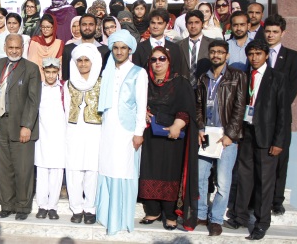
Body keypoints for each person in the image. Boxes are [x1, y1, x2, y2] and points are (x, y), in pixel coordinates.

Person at [224, 40, 288, 240]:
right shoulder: (244, 76)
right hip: (247, 133)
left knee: (264, 182)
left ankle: (261, 223)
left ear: (266, 55)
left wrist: (278, 142)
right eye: (251, 53)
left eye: (258, 53)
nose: (254, 57)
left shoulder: (277, 78)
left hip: (267, 137)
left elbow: (284, 114)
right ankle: (239, 217)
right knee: (244, 177)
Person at [138, 46, 198, 231]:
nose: (158, 63)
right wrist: (142, 111)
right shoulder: (144, 81)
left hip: (173, 136)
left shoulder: (180, 82)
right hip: (150, 136)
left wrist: (177, 125)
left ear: (169, 61)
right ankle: (153, 210)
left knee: (170, 172)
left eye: (162, 59)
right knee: (150, 170)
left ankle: (170, 214)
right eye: (154, 59)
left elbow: (187, 107)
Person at [96, 30, 148, 235]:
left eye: (123, 48)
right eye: (115, 48)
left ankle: (121, 219)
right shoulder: (107, 71)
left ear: (130, 50)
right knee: (107, 168)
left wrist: (138, 132)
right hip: (108, 129)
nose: (119, 52)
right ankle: (107, 214)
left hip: (127, 132)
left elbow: (141, 105)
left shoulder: (138, 72)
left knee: (123, 171)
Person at [195, 40, 247, 236]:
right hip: (207, 134)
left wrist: (230, 135)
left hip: (226, 136)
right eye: (213, 52)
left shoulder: (237, 76)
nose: (216, 55)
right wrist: (200, 128)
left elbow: (239, 107)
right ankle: (201, 214)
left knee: (223, 182)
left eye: (220, 52)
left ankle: (216, 219)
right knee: (201, 178)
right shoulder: (203, 77)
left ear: (227, 55)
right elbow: (198, 105)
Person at [0, 34, 41, 221]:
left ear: (23, 48)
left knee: (23, 168)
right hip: (1, 124)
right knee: (5, 168)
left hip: (21, 125)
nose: (14, 51)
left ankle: (22, 206)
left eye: (17, 48)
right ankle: (7, 204)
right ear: (5, 47)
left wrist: (27, 126)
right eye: (11, 47)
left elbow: (33, 99)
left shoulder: (31, 68)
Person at [263, 14, 297, 216]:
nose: (270, 35)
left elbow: (292, 88)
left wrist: (277, 109)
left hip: (281, 116)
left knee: (280, 159)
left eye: (275, 31)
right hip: (258, 118)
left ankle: (277, 200)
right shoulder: (257, 53)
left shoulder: (292, 57)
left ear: (282, 33)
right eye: (268, 31)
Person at [64, 44, 103, 225]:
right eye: (79, 60)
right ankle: (76, 208)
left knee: (92, 170)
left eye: (86, 60)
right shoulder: (68, 83)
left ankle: (90, 208)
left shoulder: (101, 82)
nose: (83, 64)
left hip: (95, 131)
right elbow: (65, 110)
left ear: (93, 61)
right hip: (73, 130)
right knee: (74, 170)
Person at [34, 58, 66, 220]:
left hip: (60, 137)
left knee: (56, 173)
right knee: (42, 172)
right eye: (48, 72)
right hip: (42, 137)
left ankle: (52, 206)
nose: (51, 75)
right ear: (43, 71)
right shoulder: (38, 88)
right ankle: (42, 206)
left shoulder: (64, 88)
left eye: (54, 72)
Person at [132, 8, 184, 75]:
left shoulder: (174, 48)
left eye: (160, 23)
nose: (155, 26)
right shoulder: (139, 48)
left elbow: (177, 73)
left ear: (166, 24)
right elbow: (136, 73)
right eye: (153, 23)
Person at [61, 14, 111, 81]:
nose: (87, 27)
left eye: (91, 24)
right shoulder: (68, 49)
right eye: (84, 24)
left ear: (96, 27)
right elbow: (65, 77)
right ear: (80, 27)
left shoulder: (105, 51)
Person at [178, 10, 214, 88]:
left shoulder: (212, 44)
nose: (193, 26)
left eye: (197, 22)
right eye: (190, 23)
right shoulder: (178, 45)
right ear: (186, 25)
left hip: (205, 88)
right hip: (184, 89)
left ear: (202, 24)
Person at [28, 14, 64, 81]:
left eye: (48, 27)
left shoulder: (59, 43)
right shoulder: (35, 41)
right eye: (43, 27)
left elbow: (59, 64)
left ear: (53, 27)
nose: (45, 30)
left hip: (52, 79)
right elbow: (31, 63)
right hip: (35, 78)